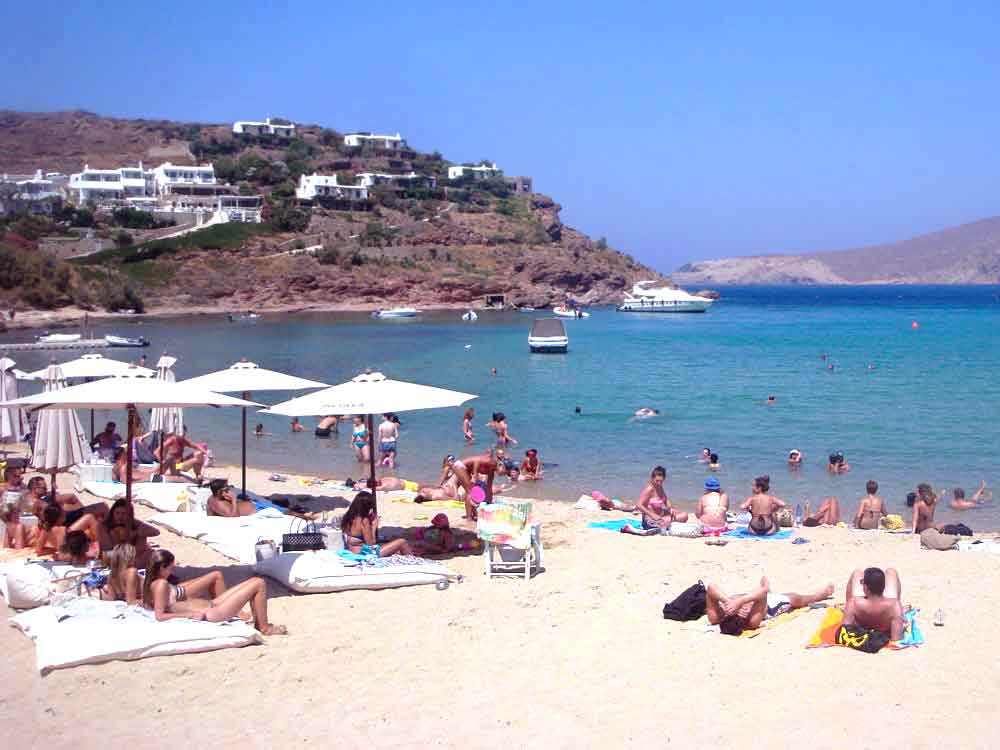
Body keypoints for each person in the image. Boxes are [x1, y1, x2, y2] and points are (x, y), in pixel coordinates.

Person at [143, 549, 287, 635]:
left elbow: (157, 605)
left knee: (255, 581)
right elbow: (160, 615)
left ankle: (259, 623)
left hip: (212, 604)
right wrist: (190, 615)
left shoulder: (152, 584)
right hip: (212, 613)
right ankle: (264, 627)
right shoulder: (161, 584)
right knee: (259, 583)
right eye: (170, 568)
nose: (171, 571)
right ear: (161, 567)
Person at [706, 576, 834, 636]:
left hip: (750, 596)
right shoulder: (752, 622)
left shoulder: (716, 618)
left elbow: (711, 587)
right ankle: (821, 595)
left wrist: (729, 601)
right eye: (743, 611)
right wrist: (740, 602)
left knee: (756, 593)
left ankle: (751, 596)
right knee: (796, 599)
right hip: (768, 606)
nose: (743, 609)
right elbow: (763, 591)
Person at [73, 498, 160, 565]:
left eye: (124, 514)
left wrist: (135, 527)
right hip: (110, 557)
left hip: (130, 555)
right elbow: (108, 548)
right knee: (149, 555)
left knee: (142, 535)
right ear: (112, 513)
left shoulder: (131, 523)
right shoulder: (103, 526)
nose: (120, 517)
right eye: (117, 513)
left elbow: (156, 532)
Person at [340, 491, 412, 556]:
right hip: (364, 553)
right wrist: (374, 525)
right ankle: (416, 564)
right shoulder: (363, 521)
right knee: (402, 542)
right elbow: (371, 544)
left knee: (396, 550)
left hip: (352, 551)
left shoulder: (348, 517)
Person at [843, 567, 904, 641]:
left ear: (865, 587)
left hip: (861, 618)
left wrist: (848, 610)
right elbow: (896, 639)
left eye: (862, 582)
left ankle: (847, 610)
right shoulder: (895, 605)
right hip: (885, 623)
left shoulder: (853, 603)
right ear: (884, 586)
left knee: (857, 572)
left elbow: (844, 632)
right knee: (891, 571)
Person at [634, 466, 688, 531]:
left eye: (661, 481)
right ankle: (667, 523)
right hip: (650, 521)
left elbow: (666, 500)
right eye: (657, 481)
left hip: (661, 516)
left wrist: (671, 509)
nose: (659, 483)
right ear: (652, 478)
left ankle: (668, 522)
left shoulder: (659, 487)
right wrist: (652, 515)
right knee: (681, 517)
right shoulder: (649, 489)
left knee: (684, 515)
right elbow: (639, 505)